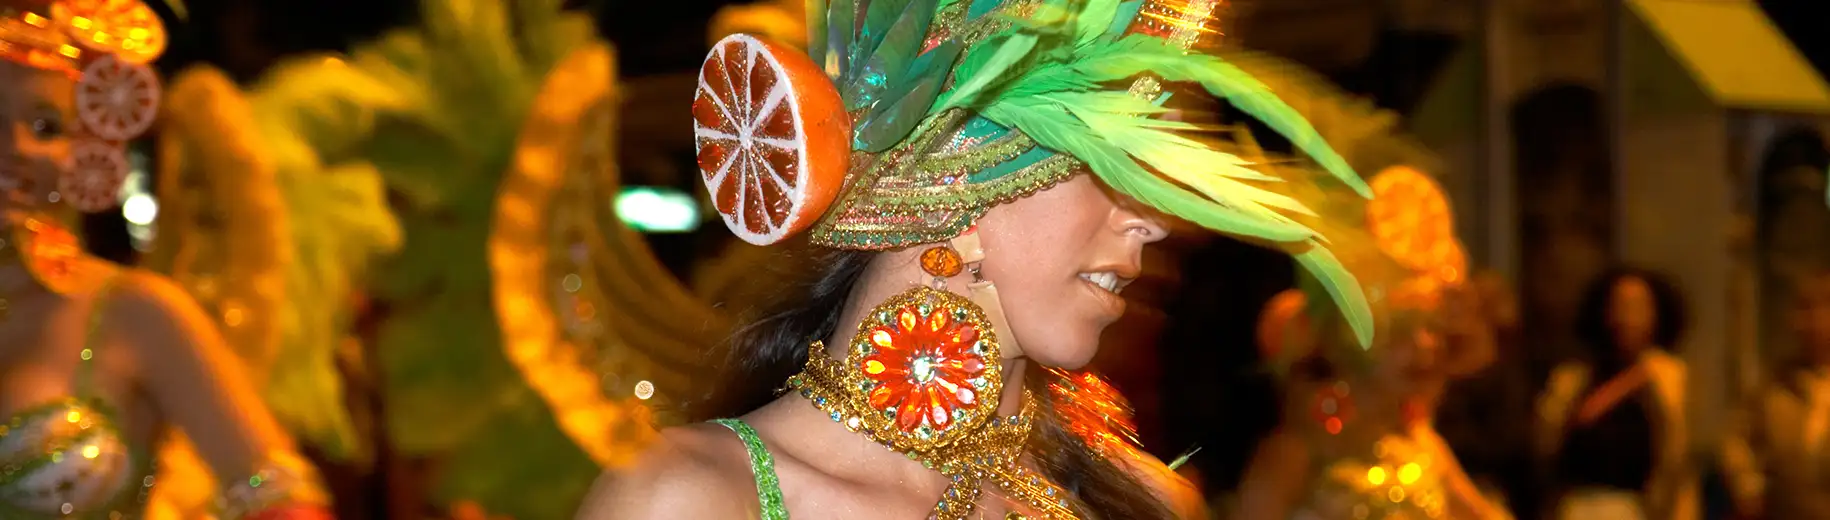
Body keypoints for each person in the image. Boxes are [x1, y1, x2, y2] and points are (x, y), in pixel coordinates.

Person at [574, 0, 1381, 515]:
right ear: (955, 179)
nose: (1151, 221)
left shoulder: (1144, 505)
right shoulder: (692, 500)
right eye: (1106, 165)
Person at [0, 0, 331, 517]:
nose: (15, 149)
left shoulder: (137, 312)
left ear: (86, 146)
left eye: (46, 128)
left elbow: (281, 498)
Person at [1234, 165, 1508, 520]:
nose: (1425, 347)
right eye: (1399, 332)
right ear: (1341, 342)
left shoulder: (1423, 446)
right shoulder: (1296, 452)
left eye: (1434, 330)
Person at [1536, 268, 1698, 520]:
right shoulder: (1572, 379)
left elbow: (1676, 459)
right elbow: (1546, 442)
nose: (1627, 317)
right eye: (1619, 305)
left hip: (1637, 509)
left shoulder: (1667, 378)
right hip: (1577, 506)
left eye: (1638, 307)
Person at [1720, 270, 1830, 519]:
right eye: (1805, 310)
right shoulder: (1774, 386)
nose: (1815, 321)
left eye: (1824, 308)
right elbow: (1738, 440)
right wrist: (1746, 483)